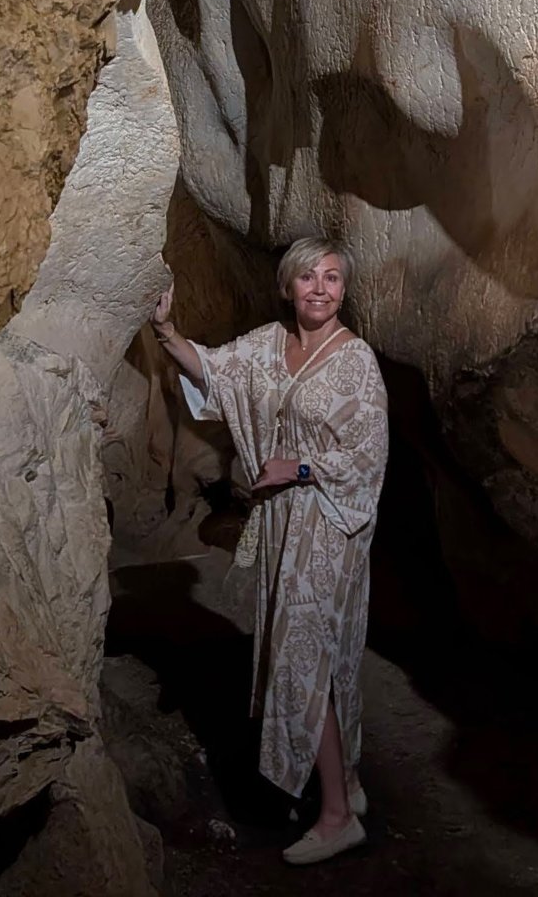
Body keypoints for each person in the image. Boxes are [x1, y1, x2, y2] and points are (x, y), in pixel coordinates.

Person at [151, 234, 389, 866]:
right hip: (285, 522)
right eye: (308, 277)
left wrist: (302, 467)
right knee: (323, 652)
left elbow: (367, 458)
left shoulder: (355, 361)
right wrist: (167, 330)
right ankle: (353, 785)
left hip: (329, 527)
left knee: (304, 655)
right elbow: (214, 373)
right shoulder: (263, 346)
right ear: (288, 285)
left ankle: (336, 816)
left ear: (344, 290)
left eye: (332, 278)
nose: (320, 288)